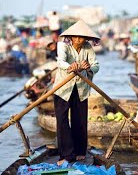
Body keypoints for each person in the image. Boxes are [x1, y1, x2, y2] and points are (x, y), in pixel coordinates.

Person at [53, 19, 100, 166]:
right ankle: (66, 154)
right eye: (76, 37)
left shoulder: (87, 48)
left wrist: (87, 68)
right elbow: (60, 62)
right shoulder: (63, 45)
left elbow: (96, 65)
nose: (79, 40)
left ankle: (80, 151)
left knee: (79, 119)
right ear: (71, 37)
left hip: (81, 88)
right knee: (62, 121)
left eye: (82, 37)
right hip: (63, 88)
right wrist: (71, 66)